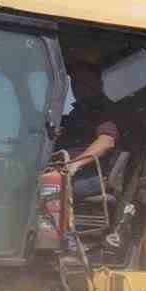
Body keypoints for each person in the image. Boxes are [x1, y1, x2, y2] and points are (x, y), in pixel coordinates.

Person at [54, 60, 126, 199]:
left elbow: (107, 141)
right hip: (70, 168)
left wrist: (75, 164)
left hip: (92, 174)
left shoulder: (102, 110)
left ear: (97, 83)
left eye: (82, 82)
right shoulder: (79, 112)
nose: (77, 87)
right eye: (75, 82)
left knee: (48, 185)